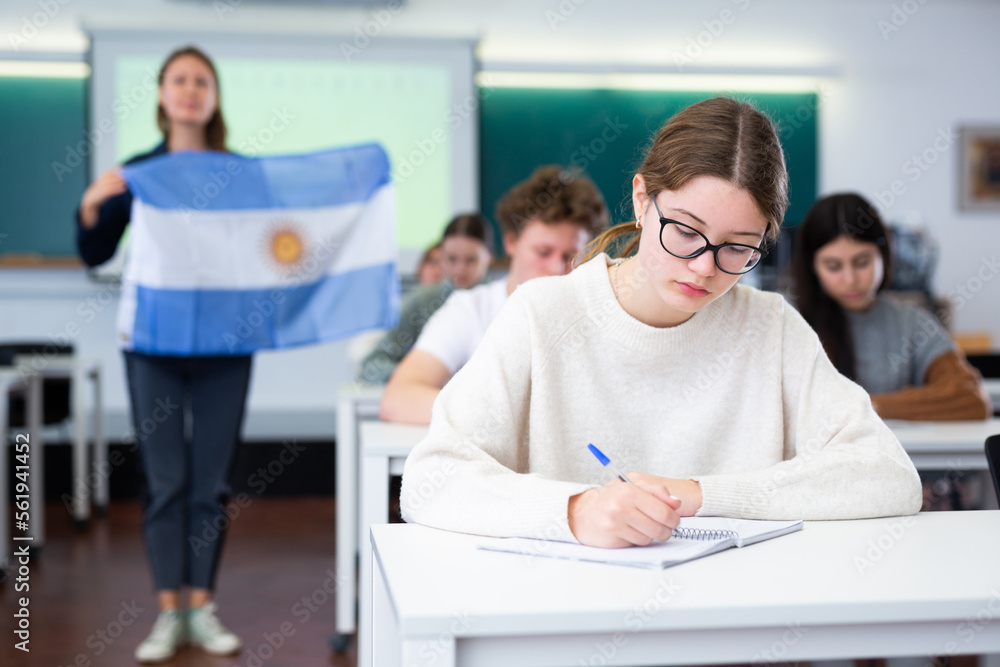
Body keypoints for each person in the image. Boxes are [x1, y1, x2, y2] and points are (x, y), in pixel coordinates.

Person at [400, 97, 922, 548]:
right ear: (642, 199)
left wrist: (698, 494)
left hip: (730, 626)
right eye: (686, 232)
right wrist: (575, 510)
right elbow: (431, 479)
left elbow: (888, 474)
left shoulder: (772, 327)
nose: (704, 267)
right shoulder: (542, 314)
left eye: (739, 247)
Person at [76, 46, 246, 662]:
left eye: (203, 80)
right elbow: (94, 251)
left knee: (211, 481)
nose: (191, 90)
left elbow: (275, 244)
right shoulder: (140, 172)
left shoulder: (240, 172)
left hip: (228, 344)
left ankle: (201, 608)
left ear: (215, 95)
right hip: (151, 344)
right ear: (160, 94)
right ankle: (167, 613)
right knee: (167, 481)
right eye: (179, 80)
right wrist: (93, 204)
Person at [378, 165, 609, 424]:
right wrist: (497, 420)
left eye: (570, 256)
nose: (556, 268)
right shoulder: (471, 310)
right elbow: (398, 398)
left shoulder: (597, 315)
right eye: (543, 252)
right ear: (511, 242)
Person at [788, 192, 991, 422]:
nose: (850, 279)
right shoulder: (787, 320)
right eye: (833, 266)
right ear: (812, 267)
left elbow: (971, 398)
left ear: (883, 254)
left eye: (862, 262)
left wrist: (867, 406)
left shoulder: (910, 322)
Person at [359, 213, 494, 384]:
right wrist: (420, 378)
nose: (460, 270)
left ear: (489, 257)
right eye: (452, 259)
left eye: (471, 260)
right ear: (442, 256)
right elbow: (373, 365)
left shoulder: (504, 301)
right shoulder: (421, 302)